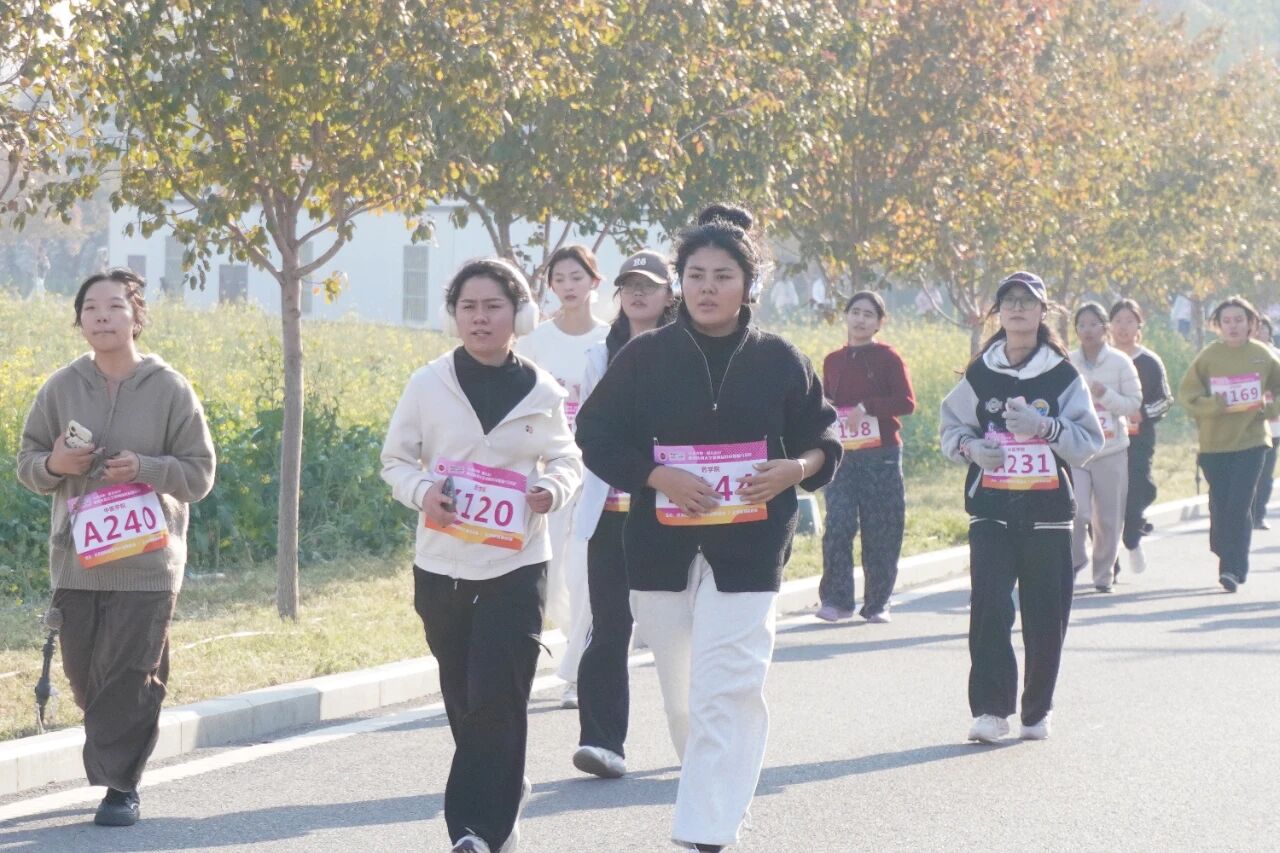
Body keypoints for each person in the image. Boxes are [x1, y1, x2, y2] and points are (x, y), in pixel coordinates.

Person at [575, 204, 841, 852]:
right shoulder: (644, 357)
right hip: (659, 549)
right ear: (680, 281)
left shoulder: (780, 359)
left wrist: (795, 469)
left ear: (748, 284)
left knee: (732, 686)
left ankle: (707, 830)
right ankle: (715, 796)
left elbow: (823, 436)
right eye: (696, 275)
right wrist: (656, 476)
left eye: (723, 275)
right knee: (685, 700)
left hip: (750, 549)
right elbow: (595, 433)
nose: (708, 288)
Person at [381, 258, 582, 853]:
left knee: (500, 692)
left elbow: (567, 457)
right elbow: (395, 461)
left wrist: (553, 489)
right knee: (465, 696)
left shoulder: (542, 390)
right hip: (441, 565)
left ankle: (474, 831)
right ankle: (504, 787)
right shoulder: (428, 384)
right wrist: (423, 493)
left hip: (517, 563)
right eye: (468, 307)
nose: (480, 318)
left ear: (519, 314)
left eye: (493, 306)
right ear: (454, 316)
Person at [16, 268, 216, 827]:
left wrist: (147, 468)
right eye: (90, 308)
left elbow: (200, 475)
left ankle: (120, 786)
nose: (102, 316)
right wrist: (57, 463)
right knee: (87, 679)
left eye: (115, 307)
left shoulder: (170, 388)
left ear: (136, 316)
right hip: (78, 562)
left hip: (148, 565)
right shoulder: (60, 387)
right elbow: (28, 464)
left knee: (130, 675)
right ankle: (115, 759)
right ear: (79, 320)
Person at [940, 272, 1102, 744]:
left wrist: (1046, 428)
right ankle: (991, 710)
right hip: (991, 509)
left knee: (1045, 616)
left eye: (1026, 302)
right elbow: (951, 427)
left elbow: (1088, 441)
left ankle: (1037, 709)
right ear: (998, 312)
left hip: (1048, 513)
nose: (1016, 308)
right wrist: (972, 448)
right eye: (1008, 301)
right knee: (989, 608)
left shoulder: (1063, 376)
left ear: (1042, 312)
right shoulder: (980, 373)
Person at [570, 249, 679, 780]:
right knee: (609, 626)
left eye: (649, 285)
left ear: (669, 294)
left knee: (678, 631)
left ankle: (700, 739)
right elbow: (591, 429)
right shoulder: (600, 355)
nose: (638, 293)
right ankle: (602, 741)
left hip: (675, 512)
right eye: (630, 285)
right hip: (611, 512)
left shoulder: (688, 352)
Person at [516, 244, 609, 709]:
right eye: (560, 279)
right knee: (550, 578)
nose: (568, 287)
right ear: (549, 285)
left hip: (597, 474)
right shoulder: (534, 344)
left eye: (577, 277)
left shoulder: (610, 341)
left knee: (584, 572)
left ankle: (579, 672)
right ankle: (574, 647)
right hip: (547, 473)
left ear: (595, 282)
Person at [816, 290, 916, 623]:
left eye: (868, 314)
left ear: (879, 323)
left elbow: (906, 402)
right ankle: (836, 600)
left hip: (881, 454)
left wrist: (867, 408)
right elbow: (826, 399)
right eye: (855, 312)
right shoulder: (833, 360)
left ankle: (878, 602)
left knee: (881, 529)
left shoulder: (888, 358)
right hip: (842, 455)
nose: (860, 319)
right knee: (838, 524)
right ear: (846, 316)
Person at [1179, 296, 1280, 592]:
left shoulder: (1263, 355)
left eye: (1239, 320)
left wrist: (1268, 408)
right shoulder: (1209, 356)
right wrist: (1213, 405)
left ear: (1251, 324)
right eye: (1227, 321)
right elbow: (1188, 396)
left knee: (1239, 504)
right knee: (1221, 506)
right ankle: (1224, 549)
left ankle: (1232, 569)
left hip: (1252, 442)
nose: (1233, 326)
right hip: (1214, 445)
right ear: (1218, 325)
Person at [1068, 303, 1142, 593]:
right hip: (1077, 451)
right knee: (1076, 512)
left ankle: (1103, 575)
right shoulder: (1067, 362)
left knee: (1109, 519)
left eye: (1093, 324)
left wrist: (1105, 395)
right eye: (1081, 325)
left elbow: (1133, 403)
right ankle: (1074, 561)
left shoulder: (1120, 362)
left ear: (1104, 328)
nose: (1087, 330)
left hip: (1112, 450)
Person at [1109, 299, 1173, 574]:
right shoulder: (1099, 359)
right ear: (1109, 326)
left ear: (1139, 326)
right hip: (1102, 442)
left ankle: (1133, 539)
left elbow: (1165, 400)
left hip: (1138, 441)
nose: (1123, 327)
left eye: (1129, 321)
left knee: (1135, 493)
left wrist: (1142, 413)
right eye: (1118, 321)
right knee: (1102, 502)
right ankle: (1108, 561)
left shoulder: (1149, 361)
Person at [1250, 316, 1278, 530]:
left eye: (1264, 329)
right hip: (1245, 425)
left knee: (1266, 472)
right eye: (1256, 329)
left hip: (1273, 426)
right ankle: (1245, 513)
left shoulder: (1276, 357)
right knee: (1248, 472)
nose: (1260, 333)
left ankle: (1259, 514)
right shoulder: (1242, 356)